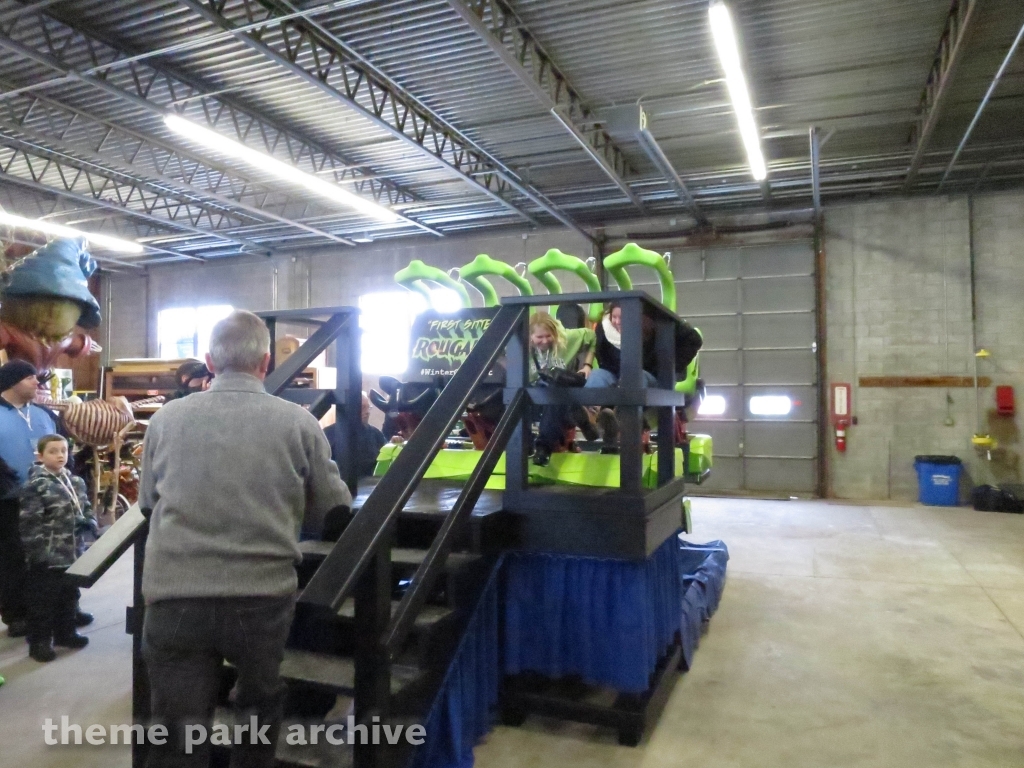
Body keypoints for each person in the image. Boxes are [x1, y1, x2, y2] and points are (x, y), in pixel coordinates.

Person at [139, 310, 353, 768]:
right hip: (261, 596)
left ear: (208, 362)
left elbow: (149, 504)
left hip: (175, 595)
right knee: (259, 706)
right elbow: (332, 511)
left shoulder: (166, 420)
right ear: (266, 362)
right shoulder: (298, 423)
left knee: (177, 726)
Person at [586, 302, 703, 448]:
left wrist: (670, 366)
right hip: (615, 374)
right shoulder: (604, 328)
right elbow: (600, 353)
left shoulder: (655, 325)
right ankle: (591, 418)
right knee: (597, 376)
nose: (617, 322)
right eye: (614, 317)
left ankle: (620, 421)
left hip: (648, 376)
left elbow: (694, 340)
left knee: (635, 377)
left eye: (621, 317)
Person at [19, 434, 94, 662]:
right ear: (40, 456)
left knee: (69, 595)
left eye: (63, 450)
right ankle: (40, 642)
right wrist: (37, 554)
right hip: (48, 556)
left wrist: (90, 521)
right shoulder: (35, 486)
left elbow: (85, 507)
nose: (60, 455)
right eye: (53, 451)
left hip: (72, 553)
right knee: (43, 602)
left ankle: (66, 633)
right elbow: (29, 523)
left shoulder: (76, 482)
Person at [0, 360, 56, 638]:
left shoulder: (44, 413)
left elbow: (61, 448)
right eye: (29, 377)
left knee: (54, 554)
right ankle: (16, 613)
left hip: (47, 498)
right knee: (12, 558)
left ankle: (60, 608)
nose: (37, 382)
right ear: (11, 382)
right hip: (8, 501)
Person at [528, 311, 597, 466]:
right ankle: (581, 417)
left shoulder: (567, 337)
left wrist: (587, 365)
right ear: (530, 336)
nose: (545, 341)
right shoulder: (521, 348)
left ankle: (543, 448)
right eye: (539, 337)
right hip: (536, 396)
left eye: (548, 336)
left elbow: (592, 336)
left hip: (558, 395)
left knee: (557, 389)